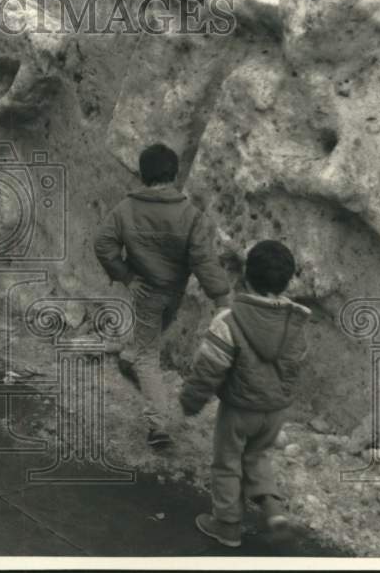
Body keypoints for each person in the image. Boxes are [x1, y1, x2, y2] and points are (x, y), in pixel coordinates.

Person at [93, 143, 231, 450]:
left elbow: (103, 243)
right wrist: (222, 297)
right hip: (174, 293)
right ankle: (158, 427)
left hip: (146, 292)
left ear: (143, 174)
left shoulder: (126, 209)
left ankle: (130, 360)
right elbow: (204, 261)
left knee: (146, 349)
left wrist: (127, 276)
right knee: (149, 355)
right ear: (174, 173)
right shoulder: (191, 215)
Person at [179, 240, 310, 548]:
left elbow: (209, 369)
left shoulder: (230, 320)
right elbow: (295, 365)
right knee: (257, 456)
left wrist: (190, 401)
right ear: (288, 280)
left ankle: (226, 525)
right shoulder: (296, 323)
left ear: (246, 276)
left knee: (227, 462)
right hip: (274, 410)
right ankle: (274, 512)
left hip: (239, 409)